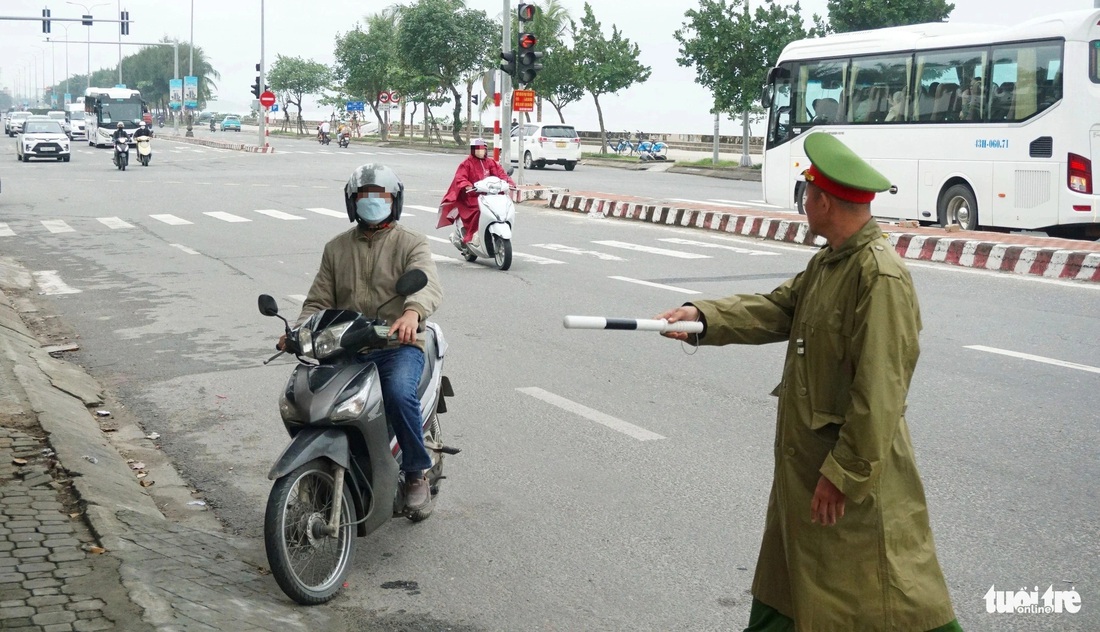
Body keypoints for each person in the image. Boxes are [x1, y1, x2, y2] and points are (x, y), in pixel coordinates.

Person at [656, 133, 962, 632]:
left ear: (822, 201)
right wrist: (702, 317)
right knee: (791, 591)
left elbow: (881, 393)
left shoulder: (878, 276)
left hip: (845, 479)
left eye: (806, 194)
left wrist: (842, 474)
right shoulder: (829, 263)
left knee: (888, 601)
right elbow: (779, 309)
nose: (804, 203)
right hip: (807, 472)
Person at [279, 164, 444, 511]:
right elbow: (318, 300)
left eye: (380, 196)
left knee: (399, 393)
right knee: (306, 398)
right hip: (346, 348)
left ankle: (415, 472)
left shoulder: (411, 242)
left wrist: (411, 313)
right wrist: (298, 332)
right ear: (352, 202)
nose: (372, 202)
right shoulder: (336, 248)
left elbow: (426, 284)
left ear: (394, 201)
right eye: (364, 197)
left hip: (396, 344)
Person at [437, 138, 515, 246]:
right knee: (479, 211)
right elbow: (460, 178)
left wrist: (509, 183)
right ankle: (471, 235)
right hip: (472, 197)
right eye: (477, 149)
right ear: (473, 150)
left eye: (482, 149)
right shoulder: (466, 164)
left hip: (490, 196)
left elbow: (501, 174)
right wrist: (468, 186)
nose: (480, 152)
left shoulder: (490, 162)